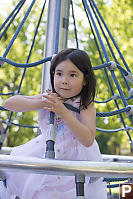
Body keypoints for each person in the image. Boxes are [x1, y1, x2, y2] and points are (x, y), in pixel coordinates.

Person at [0, 48, 107, 199]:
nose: (64, 80)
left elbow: (88, 139)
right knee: (37, 189)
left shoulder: (84, 104)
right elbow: (8, 104)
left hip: (75, 158)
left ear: (85, 80)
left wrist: (63, 112)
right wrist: (41, 102)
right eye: (59, 73)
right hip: (45, 152)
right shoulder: (49, 97)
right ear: (53, 75)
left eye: (72, 75)